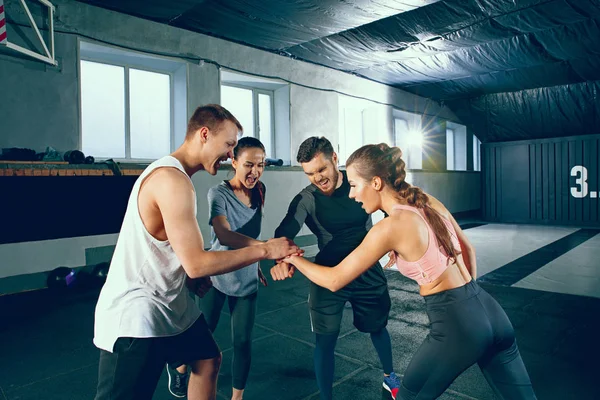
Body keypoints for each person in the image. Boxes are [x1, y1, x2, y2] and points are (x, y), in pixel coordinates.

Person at [276, 143, 537, 400]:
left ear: (376, 183)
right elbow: (467, 250)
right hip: (490, 310)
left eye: (355, 185)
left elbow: (334, 280)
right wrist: (470, 304)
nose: (352, 194)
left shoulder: (389, 227)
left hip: (456, 324)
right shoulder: (425, 200)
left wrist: (293, 258)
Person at [93, 104, 299, 400]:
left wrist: (186, 277)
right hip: (136, 316)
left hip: (170, 305)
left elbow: (170, 247)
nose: (231, 155)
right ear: (204, 134)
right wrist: (265, 250)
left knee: (208, 359)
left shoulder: (176, 176)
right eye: (229, 145)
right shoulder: (172, 181)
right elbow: (198, 264)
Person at [270, 137, 400, 399]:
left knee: (377, 327)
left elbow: (390, 201)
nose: (317, 178)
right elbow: (283, 233)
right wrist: (280, 260)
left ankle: (391, 378)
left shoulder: (358, 182)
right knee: (325, 341)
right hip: (328, 274)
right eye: (309, 173)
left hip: (367, 269)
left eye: (321, 169)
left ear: (335, 160)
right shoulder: (307, 199)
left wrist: (394, 238)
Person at [166, 137, 269, 400]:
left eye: (261, 165)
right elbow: (223, 235)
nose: (255, 171)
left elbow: (249, 233)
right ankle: (179, 367)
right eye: (248, 164)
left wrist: (254, 261)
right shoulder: (218, 194)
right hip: (217, 277)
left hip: (246, 280)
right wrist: (264, 249)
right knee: (203, 333)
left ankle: (237, 397)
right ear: (234, 162)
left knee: (243, 342)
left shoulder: (260, 190)